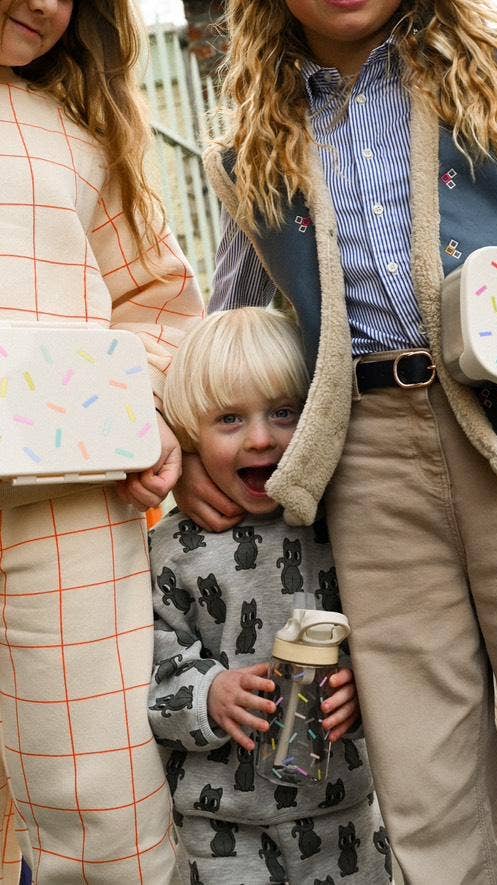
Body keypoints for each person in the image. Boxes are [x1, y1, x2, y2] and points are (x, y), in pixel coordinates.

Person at [173, 1, 497, 883]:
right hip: (367, 470)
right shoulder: (258, 140)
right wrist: (185, 444)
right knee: (423, 793)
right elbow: (228, 322)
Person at [0, 1, 202, 882]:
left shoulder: (80, 131)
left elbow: (158, 304)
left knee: (101, 790)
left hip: (70, 506)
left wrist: (151, 408)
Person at [148, 307, 392, 885]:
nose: (261, 438)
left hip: (344, 814)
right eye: (229, 419)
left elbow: (396, 632)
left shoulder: (342, 525)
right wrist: (209, 694)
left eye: (283, 413)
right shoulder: (172, 548)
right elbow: (148, 664)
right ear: (188, 434)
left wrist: (367, 687)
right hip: (220, 825)